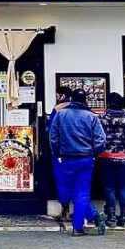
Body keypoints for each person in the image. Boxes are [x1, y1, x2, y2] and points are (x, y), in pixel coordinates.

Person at [49, 89, 108, 236]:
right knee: (81, 193)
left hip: (66, 158)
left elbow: (53, 137)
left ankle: (93, 216)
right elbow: (101, 140)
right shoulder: (91, 117)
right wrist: (94, 152)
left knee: (67, 191)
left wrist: (57, 152)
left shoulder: (61, 115)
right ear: (85, 100)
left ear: (71, 99)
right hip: (85, 158)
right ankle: (79, 226)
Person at [98, 92, 125, 227]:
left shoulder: (103, 117)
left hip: (107, 156)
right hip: (124, 156)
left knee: (109, 188)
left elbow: (99, 136)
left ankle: (111, 217)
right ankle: (124, 217)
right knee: (124, 188)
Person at [49, 85, 75, 225]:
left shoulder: (57, 110)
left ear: (62, 95)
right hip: (79, 152)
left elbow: (52, 132)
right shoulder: (80, 109)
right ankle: (79, 212)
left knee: (62, 180)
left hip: (61, 152)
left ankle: (65, 210)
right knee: (78, 183)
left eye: (58, 95)